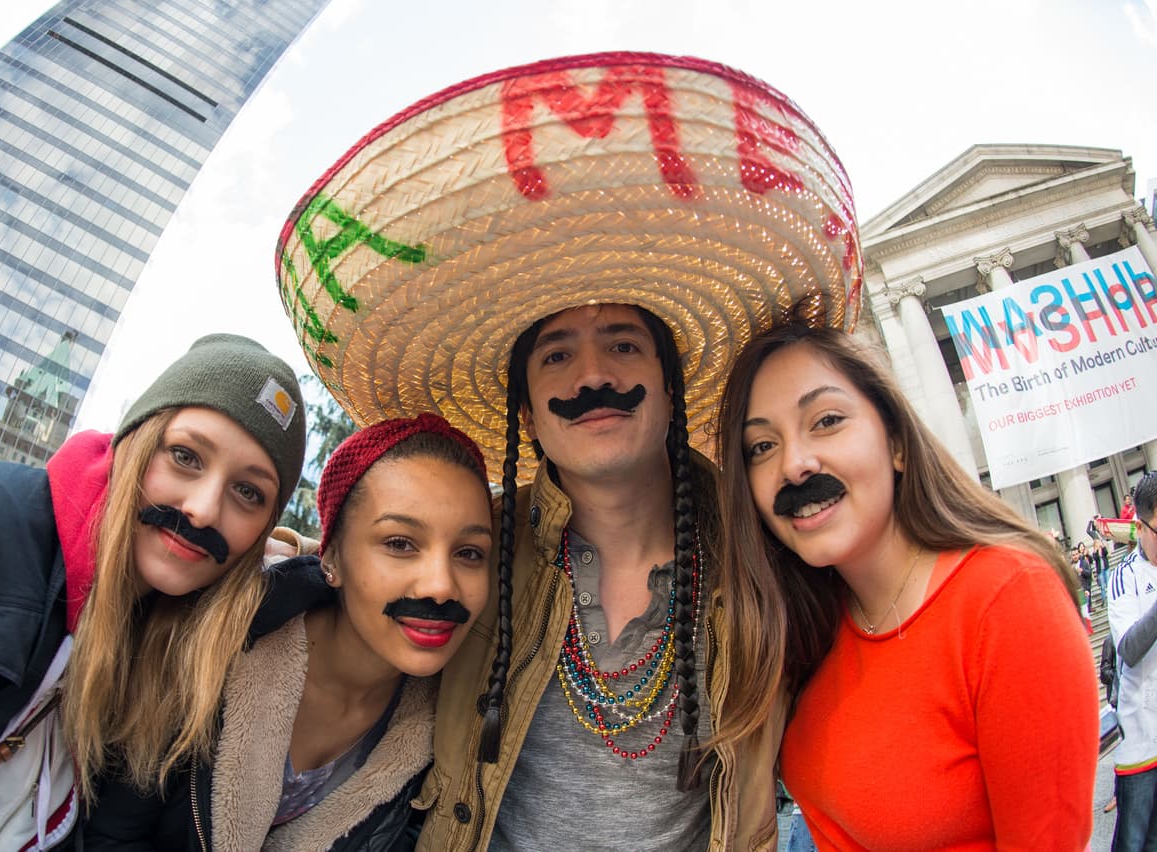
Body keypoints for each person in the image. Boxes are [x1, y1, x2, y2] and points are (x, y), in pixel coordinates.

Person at [274, 52, 862, 850]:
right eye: (555, 356)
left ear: (669, 381)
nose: (592, 376)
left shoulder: (762, 551)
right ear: (526, 410)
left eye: (623, 345)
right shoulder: (475, 557)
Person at [0, 334, 307, 851]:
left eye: (248, 492)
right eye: (185, 457)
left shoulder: (174, 637)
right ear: (132, 445)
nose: (204, 509)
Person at [716, 323, 1097, 849]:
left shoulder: (1007, 599)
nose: (795, 464)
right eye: (761, 445)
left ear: (895, 441)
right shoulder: (808, 627)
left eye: (826, 421)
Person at [85, 412, 494, 850]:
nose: (440, 586)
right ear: (331, 556)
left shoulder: (451, 732)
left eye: (470, 553)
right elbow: (110, 836)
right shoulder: (211, 644)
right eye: (399, 543)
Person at [1107, 471, 1157, 850]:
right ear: (1140, 526)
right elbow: (1128, 649)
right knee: (1134, 842)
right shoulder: (1123, 578)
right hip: (1143, 742)